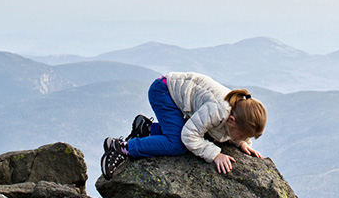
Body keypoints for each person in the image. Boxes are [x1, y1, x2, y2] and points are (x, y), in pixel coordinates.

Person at [101, 72, 266, 179]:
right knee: (177, 145)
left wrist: (242, 143)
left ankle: (148, 129)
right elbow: (189, 135)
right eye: (243, 135)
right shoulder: (217, 110)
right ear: (232, 120)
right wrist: (215, 155)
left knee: (203, 137)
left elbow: (227, 131)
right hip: (164, 91)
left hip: (177, 95)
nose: (243, 138)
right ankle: (122, 148)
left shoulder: (238, 111)